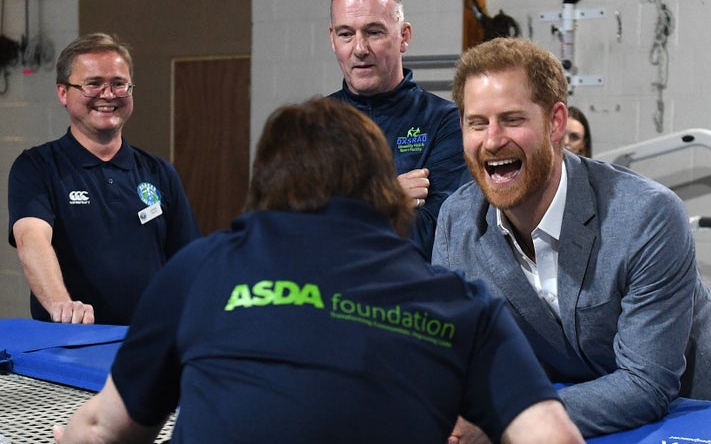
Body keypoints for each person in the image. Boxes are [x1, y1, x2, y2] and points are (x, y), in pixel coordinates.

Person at [53, 98, 584, 444]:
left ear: (265, 185)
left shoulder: (202, 270)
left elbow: (102, 429)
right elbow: (552, 437)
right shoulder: (459, 302)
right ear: (383, 188)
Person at [432, 37, 711, 437]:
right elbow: (448, 359)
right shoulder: (456, 221)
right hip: (562, 417)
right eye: (477, 123)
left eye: (512, 119)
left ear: (555, 123)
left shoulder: (647, 216)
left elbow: (645, 384)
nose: (492, 140)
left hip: (689, 413)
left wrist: (506, 417)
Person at [8, 33, 201, 325]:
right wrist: (62, 305)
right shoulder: (37, 167)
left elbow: (189, 263)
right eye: (93, 84)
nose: (108, 94)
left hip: (145, 347)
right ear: (63, 93)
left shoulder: (159, 172)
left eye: (118, 83)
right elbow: (31, 240)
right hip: (70, 345)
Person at [328, 0, 467, 260]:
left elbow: (434, 237)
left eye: (374, 32)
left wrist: (337, 208)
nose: (360, 49)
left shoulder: (445, 122)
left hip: (411, 299)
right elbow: (293, 232)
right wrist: (386, 198)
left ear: (404, 36)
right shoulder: (311, 125)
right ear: (333, 39)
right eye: (346, 34)